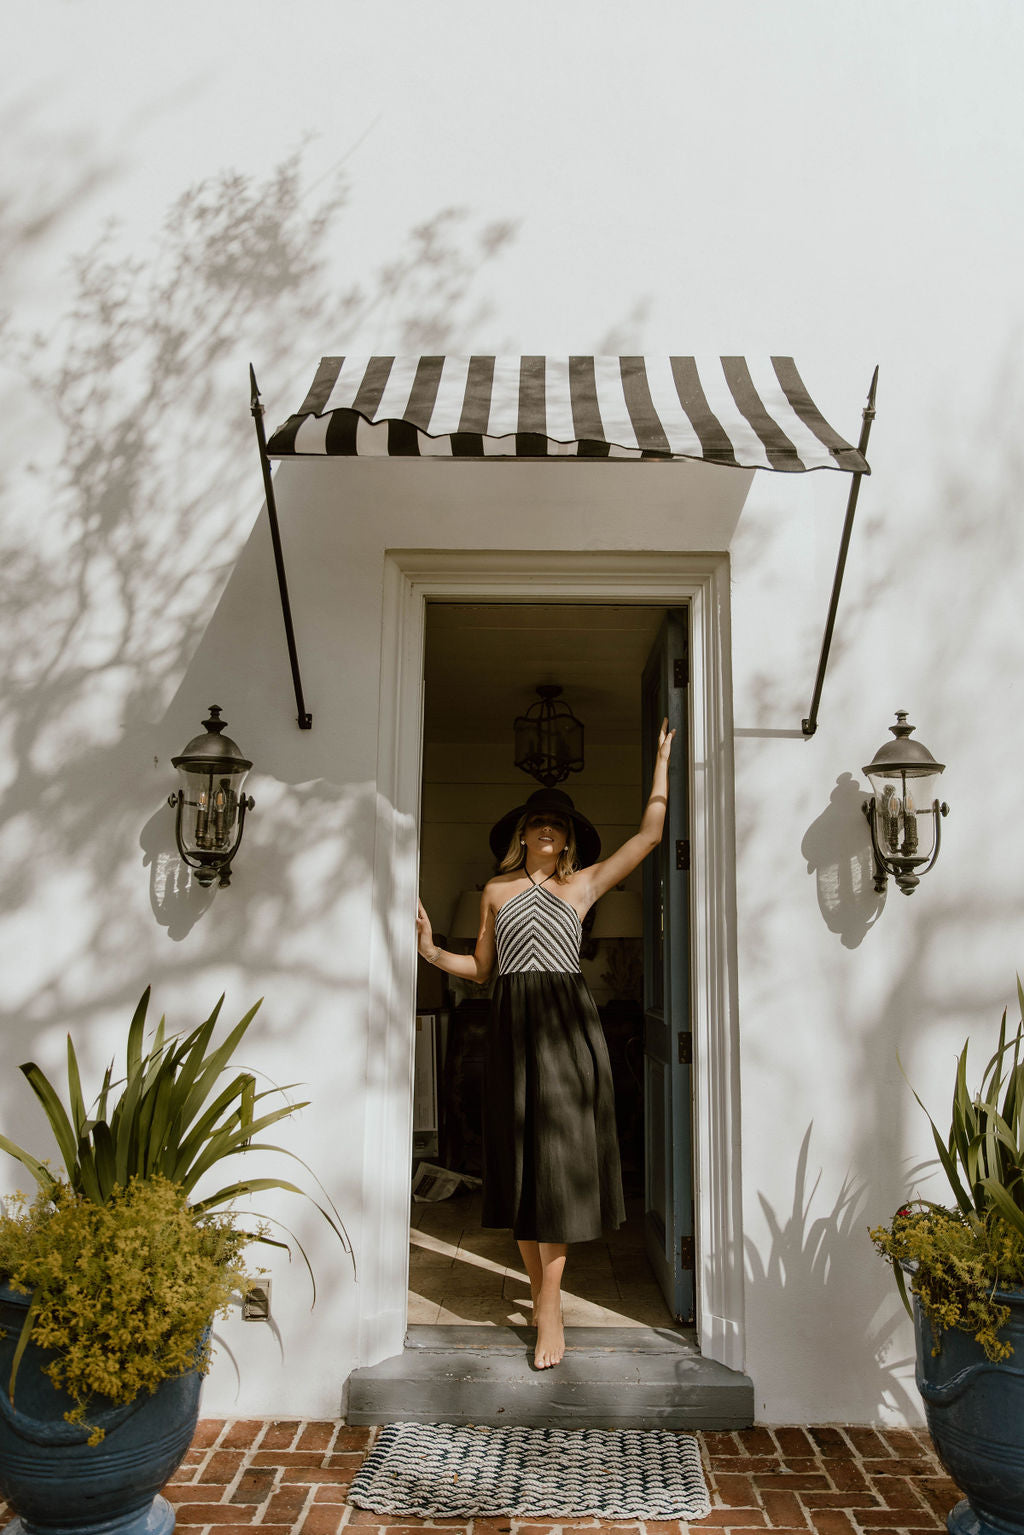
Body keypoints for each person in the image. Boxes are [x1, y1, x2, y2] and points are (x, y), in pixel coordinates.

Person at [416, 717, 675, 1370]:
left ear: (566, 843)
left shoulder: (580, 886)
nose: (546, 831)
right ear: (523, 834)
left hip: (565, 1031)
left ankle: (547, 1308)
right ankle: (541, 1297)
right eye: (538, 822)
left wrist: (663, 764)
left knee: (557, 1170)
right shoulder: (496, 892)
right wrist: (428, 950)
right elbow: (481, 969)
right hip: (512, 1029)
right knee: (528, 1170)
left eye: (556, 826)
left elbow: (649, 836)